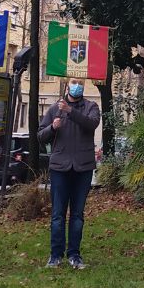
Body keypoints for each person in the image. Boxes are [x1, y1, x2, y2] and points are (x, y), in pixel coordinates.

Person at [41, 80, 102, 270]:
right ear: (67, 85)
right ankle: (55, 255)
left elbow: (91, 124)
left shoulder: (91, 107)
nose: (77, 85)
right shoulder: (53, 109)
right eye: (74, 82)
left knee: (77, 215)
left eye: (80, 82)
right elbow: (40, 136)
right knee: (58, 214)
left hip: (82, 168)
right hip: (60, 167)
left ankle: (74, 255)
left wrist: (70, 111)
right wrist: (52, 128)